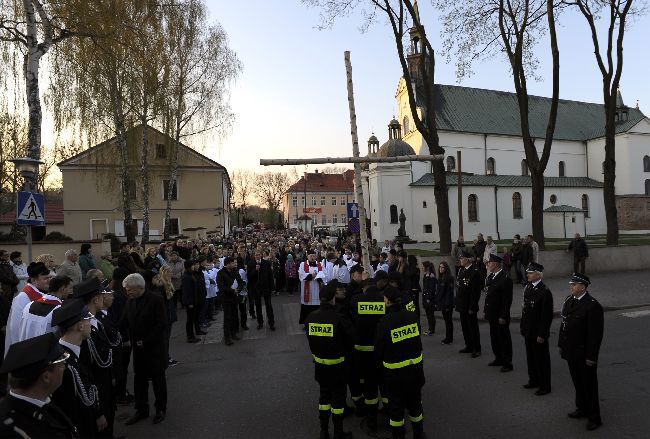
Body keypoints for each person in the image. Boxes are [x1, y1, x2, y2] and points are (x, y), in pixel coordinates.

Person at [0, 333, 77, 438]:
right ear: (46, 377)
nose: (64, 367)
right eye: (61, 364)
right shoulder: (13, 429)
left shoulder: (42, 402)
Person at [375, 286, 426, 439]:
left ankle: (398, 435)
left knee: (396, 409)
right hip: (415, 370)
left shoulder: (384, 322)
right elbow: (418, 343)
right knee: (415, 405)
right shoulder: (412, 317)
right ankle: (419, 434)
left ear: (387, 301)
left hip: (395, 375)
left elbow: (379, 350)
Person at [51, 298, 107, 437]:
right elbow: (69, 409)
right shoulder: (64, 365)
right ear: (80, 326)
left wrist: (97, 413)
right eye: (88, 319)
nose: (91, 323)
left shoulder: (72, 351)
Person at [305, 282, 353, 439]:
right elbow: (349, 340)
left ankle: (324, 431)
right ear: (333, 299)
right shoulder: (338, 318)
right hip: (338, 367)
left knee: (324, 399)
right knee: (338, 401)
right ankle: (338, 432)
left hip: (320, 367)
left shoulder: (311, 318)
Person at [558, 273, 604, 431]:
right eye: (571, 284)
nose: (571, 286)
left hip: (584, 354)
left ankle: (594, 417)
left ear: (583, 286)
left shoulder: (592, 305)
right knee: (577, 382)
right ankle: (582, 409)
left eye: (574, 284)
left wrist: (591, 357)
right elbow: (564, 325)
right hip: (571, 351)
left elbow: (595, 336)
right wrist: (561, 345)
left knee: (589, 386)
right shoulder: (569, 300)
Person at [122, 273, 168, 425]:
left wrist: (146, 341)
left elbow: (161, 324)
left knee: (158, 380)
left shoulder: (156, 299)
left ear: (139, 287)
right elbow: (124, 321)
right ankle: (141, 409)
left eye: (129, 289)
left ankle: (160, 409)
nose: (126, 292)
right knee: (139, 380)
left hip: (154, 349)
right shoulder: (130, 301)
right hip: (138, 349)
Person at [74, 277, 115, 437]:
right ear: (96, 299)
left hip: (105, 384)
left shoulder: (96, 321)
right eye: (101, 295)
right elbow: (86, 371)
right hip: (97, 391)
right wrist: (97, 411)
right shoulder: (84, 330)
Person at [349, 282, 386, 436]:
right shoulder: (383, 301)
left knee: (368, 385)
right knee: (383, 383)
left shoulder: (356, 301)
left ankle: (371, 419)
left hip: (362, 351)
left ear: (365, 290)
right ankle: (389, 411)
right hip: (379, 350)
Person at [520, 262, 553, 396]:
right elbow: (525, 310)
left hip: (538, 332)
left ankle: (545, 385)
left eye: (531, 273)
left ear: (538, 275)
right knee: (531, 357)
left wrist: (542, 334)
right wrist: (522, 326)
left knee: (542, 359)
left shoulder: (545, 292)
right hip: (528, 330)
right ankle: (533, 380)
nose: (528, 274)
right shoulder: (528, 287)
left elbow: (547, 316)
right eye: (528, 272)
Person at [4, 262, 51, 357]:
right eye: (45, 278)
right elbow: (15, 328)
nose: (49, 280)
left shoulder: (45, 293)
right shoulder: (22, 298)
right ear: (34, 280)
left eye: (50, 277)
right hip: (27, 346)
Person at [483, 254, 514, 372]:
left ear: (495, 264)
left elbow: (507, 300)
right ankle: (498, 358)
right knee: (494, 337)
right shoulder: (491, 277)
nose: (488, 264)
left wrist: (503, 316)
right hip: (492, 314)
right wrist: (486, 311)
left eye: (489, 262)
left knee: (504, 339)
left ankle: (507, 362)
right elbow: (488, 297)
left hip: (500, 315)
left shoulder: (505, 278)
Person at [18, 276, 72, 342]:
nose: (71, 292)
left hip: (25, 348)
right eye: (70, 288)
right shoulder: (59, 311)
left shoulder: (29, 305)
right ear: (62, 289)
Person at [455, 251, 482, 358]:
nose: (460, 260)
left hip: (470, 305)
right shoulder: (461, 270)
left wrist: (472, 306)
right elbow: (459, 287)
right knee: (465, 327)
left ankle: (476, 348)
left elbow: (475, 292)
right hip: (462, 304)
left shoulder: (475, 271)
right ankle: (469, 346)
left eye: (462, 258)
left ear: (467, 260)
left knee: (472, 327)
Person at [217, 257, 243, 346]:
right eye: (232, 263)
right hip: (226, 298)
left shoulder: (234, 271)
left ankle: (233, 333)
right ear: (227, 264)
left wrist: (239, 289)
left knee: (234, 316)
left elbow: (240, 281)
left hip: (234, 298)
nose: (234, 264)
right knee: (227, 317)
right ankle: (227, 338)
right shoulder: (220, 273)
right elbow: (221, 286)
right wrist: (232, 290)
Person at [181, 260, 205, 343]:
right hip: (190, 302)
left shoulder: (190, 274)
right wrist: (190, 303)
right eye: (192, 265)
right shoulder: (186, 277)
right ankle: (190, 336)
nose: (194, 266)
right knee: (190, 319)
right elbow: (187, 291)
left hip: (194, 300)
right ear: (189, 267)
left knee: (195, 317)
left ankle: (197, 331)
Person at [299, 251, 325, 325]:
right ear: (307, 256)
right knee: (307, 308)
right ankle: (307, 323)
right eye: (311, 256)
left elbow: (324, 274)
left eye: (314, 256)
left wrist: (319, 276)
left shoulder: (320, 264)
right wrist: (311, 276)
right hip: (307, 291)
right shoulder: (303, 264)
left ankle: (317, 322)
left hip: (317, 290)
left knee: (317, 308)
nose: (313, 258)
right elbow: (301, 275)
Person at [436, 261, 455, 345]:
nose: (440, 268)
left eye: (442, 267)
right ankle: (448, 337)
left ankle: (449, 338)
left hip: (447, 304)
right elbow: (439, 292)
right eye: (440, 267)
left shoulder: (449, 278)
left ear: (446, 268)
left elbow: (449, 292)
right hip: (442, 303)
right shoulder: (440, 278)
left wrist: (447, 305)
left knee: (448, 321)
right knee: (446, 321)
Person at [420, 261, 437, 336]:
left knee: (430, 314)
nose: (422, 268)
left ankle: (431, 329)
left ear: (427, 267)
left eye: (423, 266)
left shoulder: (431, 276)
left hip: (429, 299)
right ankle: (430, 328)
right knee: (428, 314)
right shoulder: (426, 276)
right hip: (426, 298)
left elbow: (431, 289)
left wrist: (428, 298)